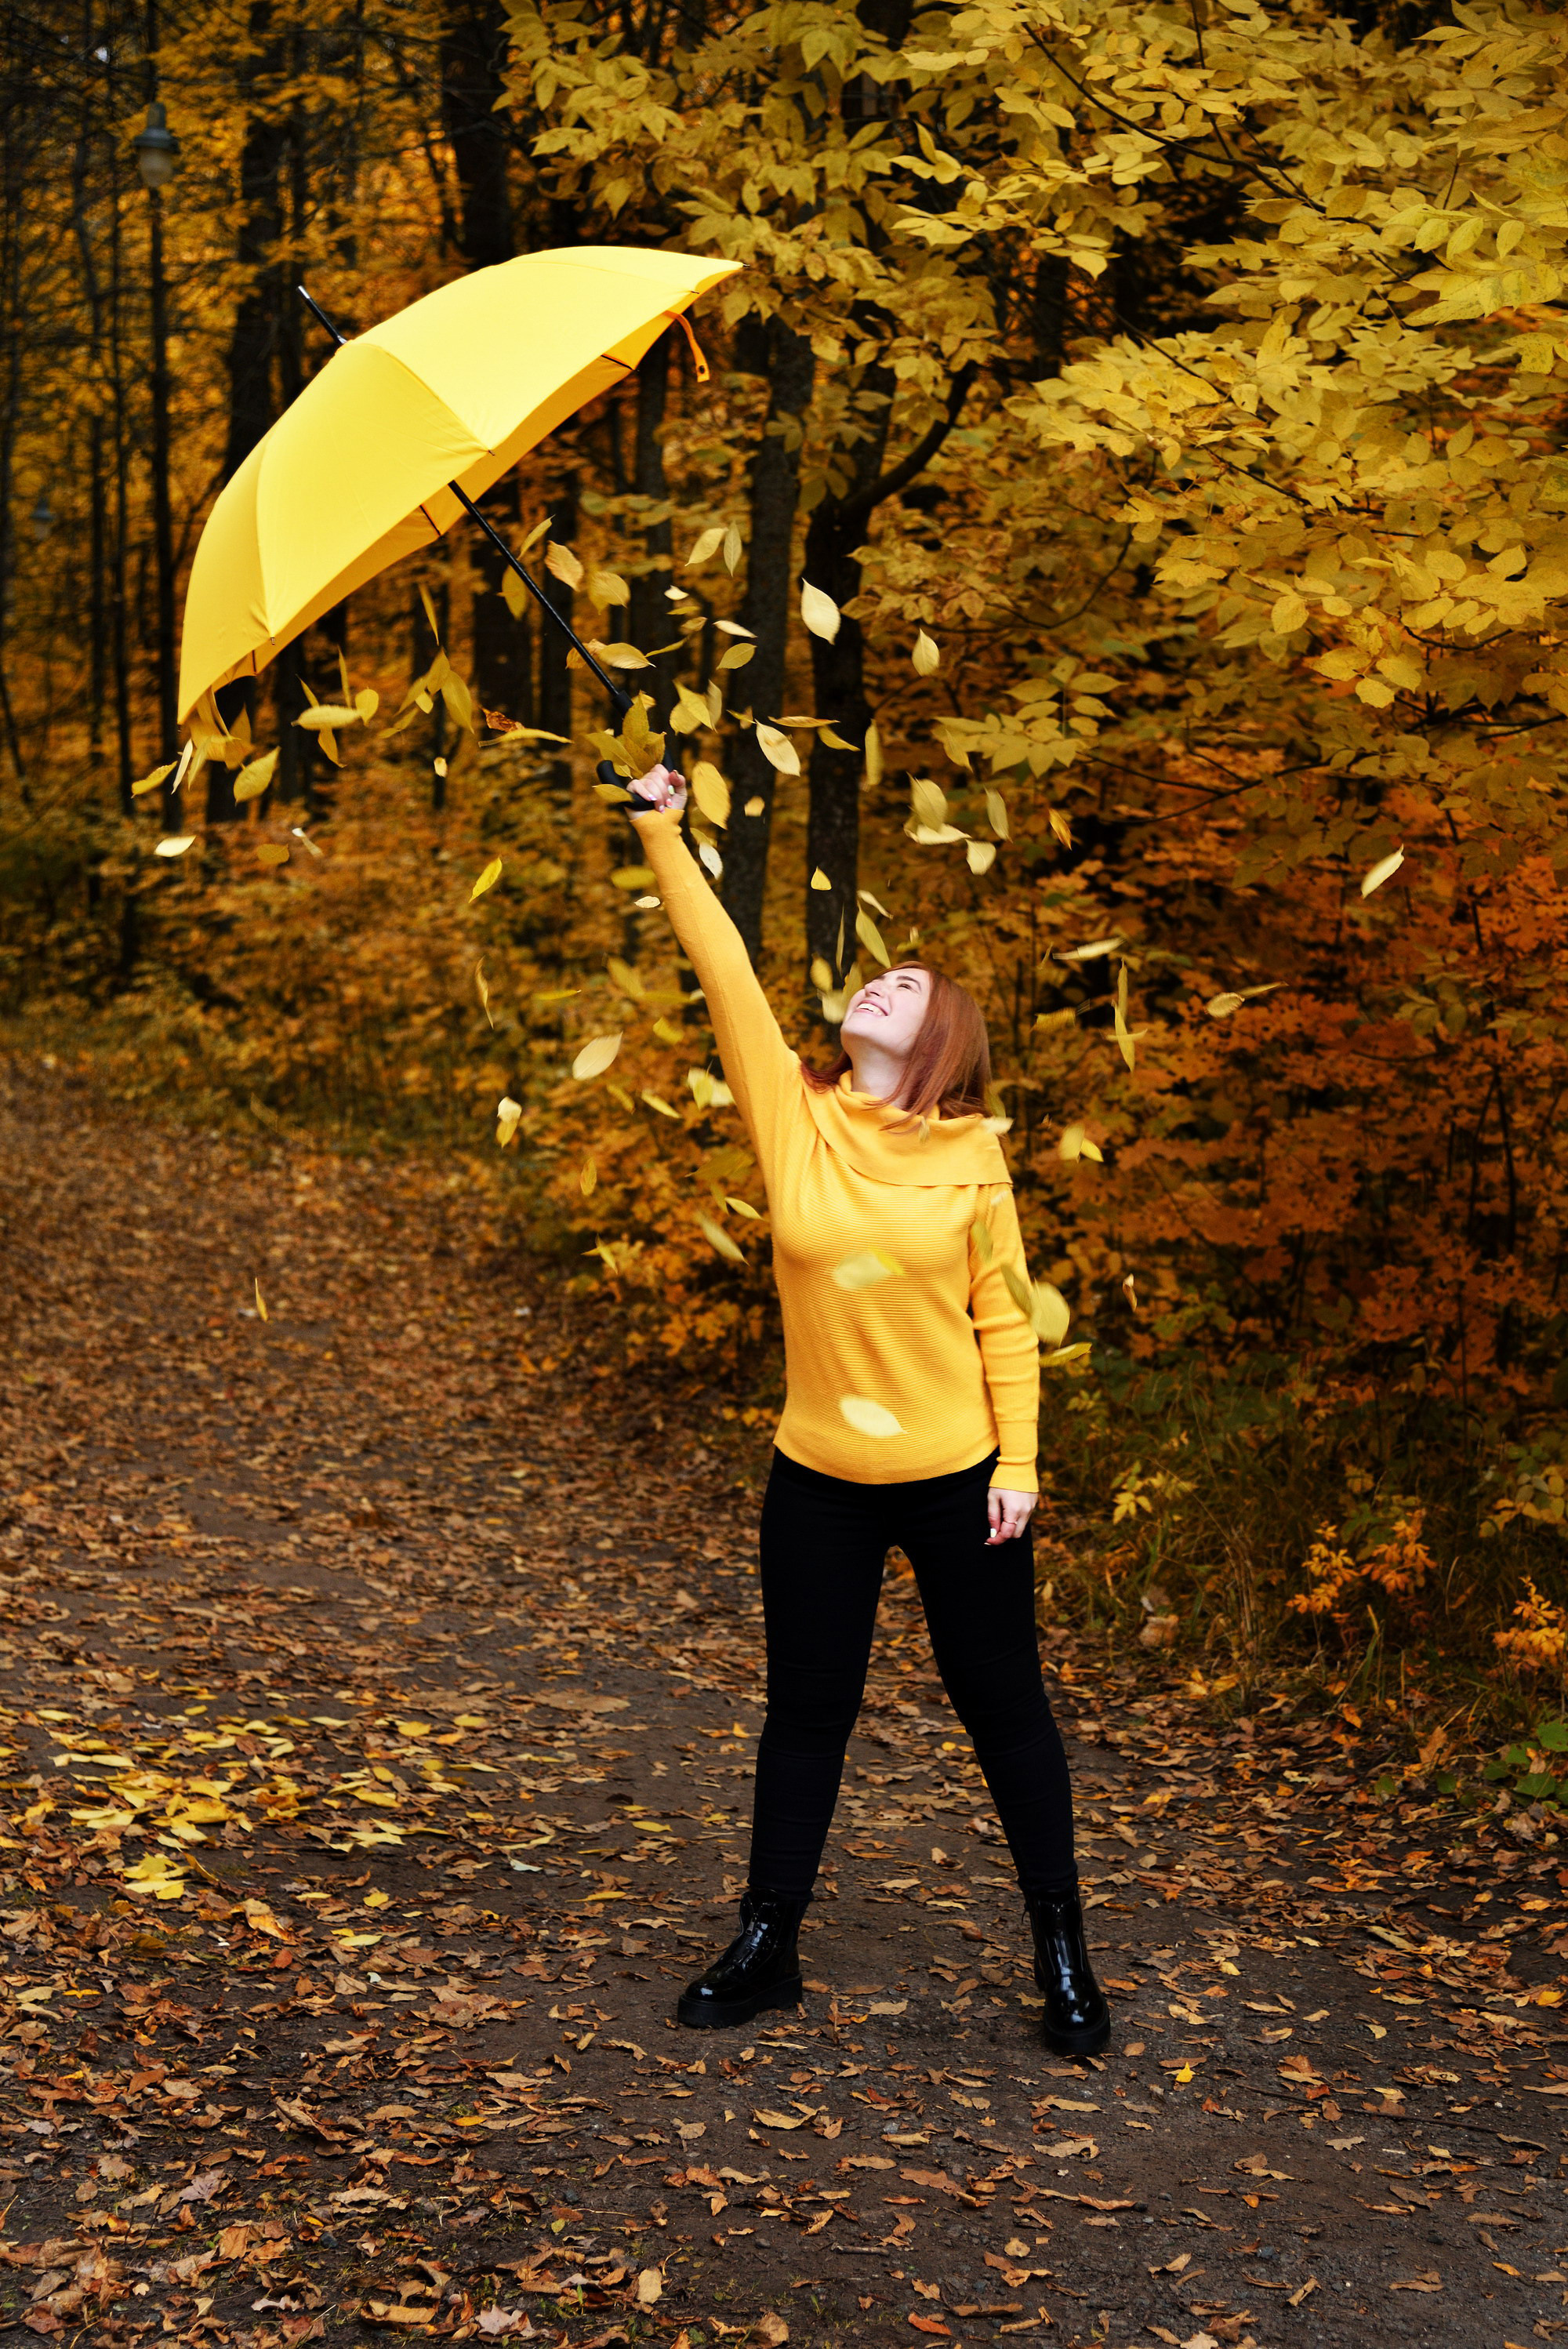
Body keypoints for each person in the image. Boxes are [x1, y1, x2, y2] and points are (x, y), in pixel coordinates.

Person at [622, 763, 1108, 2060]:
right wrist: (664, 828)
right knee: (807, 1708)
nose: (877, 986)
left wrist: (1022, 1464)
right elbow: (724, 963)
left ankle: (1063, 1949)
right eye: (872, 982)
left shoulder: (971, 1161)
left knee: (1004, 1707)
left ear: (941, 1044)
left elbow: (1006, 1318)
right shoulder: (799, 1118)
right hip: (818, 1477)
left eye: (907, 990)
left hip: (961, 1478)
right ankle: (767, 1940)